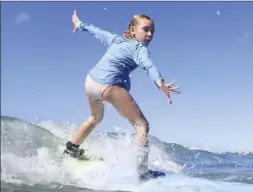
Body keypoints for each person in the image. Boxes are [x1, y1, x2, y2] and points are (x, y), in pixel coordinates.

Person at [63, 10, 180, 180]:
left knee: (95, 118)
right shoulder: (139, 48)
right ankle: (142, 172)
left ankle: (71, 150)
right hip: (108, 85)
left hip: (90, 82)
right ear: (133, 30)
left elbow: (98, 32)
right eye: (145, 30)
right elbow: (149, 66)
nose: (149, 35)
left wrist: (81, 25)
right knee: (142, 126)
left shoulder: (117, 39)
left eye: (152, 31)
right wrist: (160, 83)